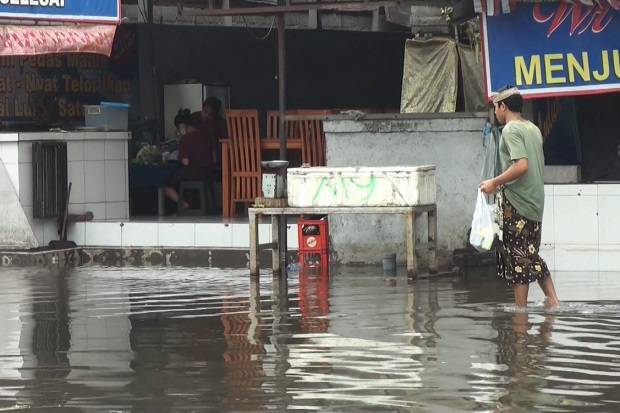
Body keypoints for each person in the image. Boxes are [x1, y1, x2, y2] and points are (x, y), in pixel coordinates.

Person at [479, 87, 560, 309]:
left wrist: (494, 182)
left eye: (495, 107)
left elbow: (522, 165)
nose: (495, 112)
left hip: (517, 204)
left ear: (503, 106)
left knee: (517, 261)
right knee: (530, 255)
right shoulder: (533, 128)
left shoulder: (510, 130)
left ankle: (520, 314)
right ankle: (553, 300)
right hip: (535, 203)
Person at [164, 112, 214, 211]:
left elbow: (185, 162)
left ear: (182, 127)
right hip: (208, 172)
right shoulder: (207, 136)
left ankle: (183, 204)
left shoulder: (185, 139)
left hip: (193, 173)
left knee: (164, 183)